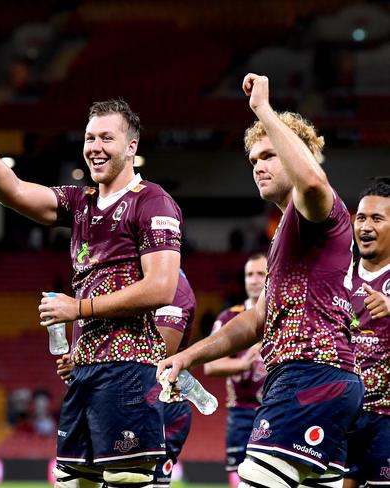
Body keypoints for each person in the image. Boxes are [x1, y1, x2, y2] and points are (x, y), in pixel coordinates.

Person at [0, 99, 182, 487]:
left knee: (126, 480)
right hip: (85, 371)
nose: (95, 146)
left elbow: (162, 287)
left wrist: (79, 307)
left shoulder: (152, 201)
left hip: (128, 368)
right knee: (74, 481)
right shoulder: (81, 203)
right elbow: (15, 192)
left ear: (131, 146)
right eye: (90, 137)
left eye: (107, 138)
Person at [157, 73, 363, 488]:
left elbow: (312, 181)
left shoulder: (317, 209)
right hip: (326, 379)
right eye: (253, 160)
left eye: (269, 154)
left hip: (309, 374)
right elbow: (255, 322)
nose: (259, 166)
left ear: (297, 154)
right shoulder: (286, 232)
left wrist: (264, 112)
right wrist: (187, 357)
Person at [57, 269, 196, 488]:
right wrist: (81, 360)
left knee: (131, 481)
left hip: (155, 402)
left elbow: (161, 355)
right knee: (77, 479)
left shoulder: (172, 286)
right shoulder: (117, 276)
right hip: (110, 394)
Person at [204, 254, 268, 488]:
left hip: (274, 410)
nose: (254, 280)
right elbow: (210, 366)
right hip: (241, 412)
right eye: (249, 274)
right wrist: (241, 365)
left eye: (260, 274)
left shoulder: (281, 316)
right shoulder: (228, 317)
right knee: (238, 479)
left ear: (270, 277)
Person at [344, 179, 390, 488]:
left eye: (377, 218)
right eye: (361, 217)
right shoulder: (339, 275)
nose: (366, 226)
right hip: (343, 415)